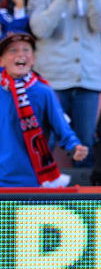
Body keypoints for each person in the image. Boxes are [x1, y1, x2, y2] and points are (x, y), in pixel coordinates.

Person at [26, 0, 101, 166]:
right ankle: (36, 193)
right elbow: (40, 29)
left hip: (87, 80)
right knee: (44, 142)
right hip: (53, 82)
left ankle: (85, 197)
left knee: (85, 145)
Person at [0, 32, 87, 187]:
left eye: (26, 50)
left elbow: (62, 128)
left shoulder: (43, 92)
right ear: (1, 61)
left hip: (33, 180)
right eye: (13, 50)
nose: (21, 54)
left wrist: (75, 147)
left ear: (33, 59)